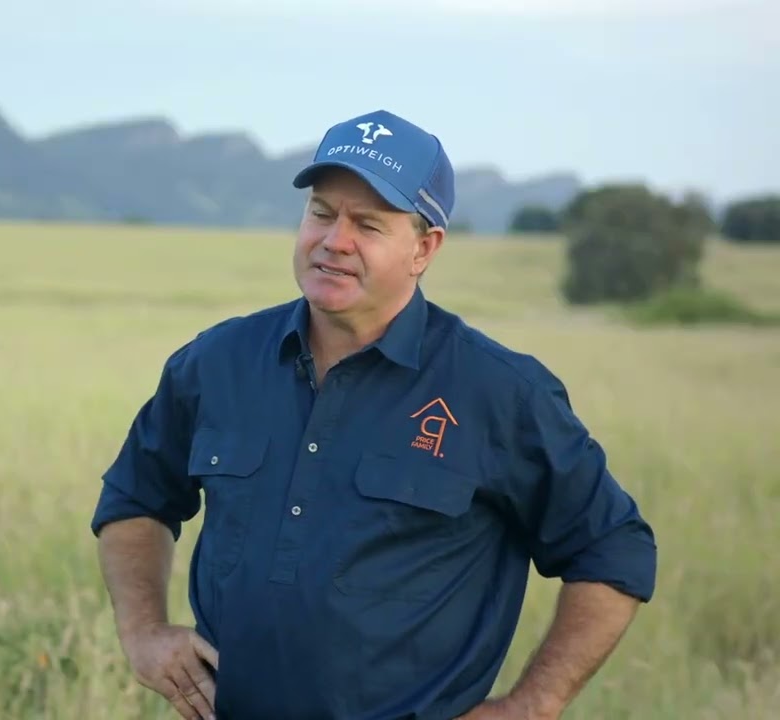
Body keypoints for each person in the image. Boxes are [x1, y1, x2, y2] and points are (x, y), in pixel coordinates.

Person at [89, 108, 657, 720]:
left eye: (369, 224)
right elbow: (136, 498)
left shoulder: (500, 392)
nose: (335, 241)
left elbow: (613, 549)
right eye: (322, 213)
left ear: (424, 248)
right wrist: (144, 632)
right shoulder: (217, 362)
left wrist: (533, 705)